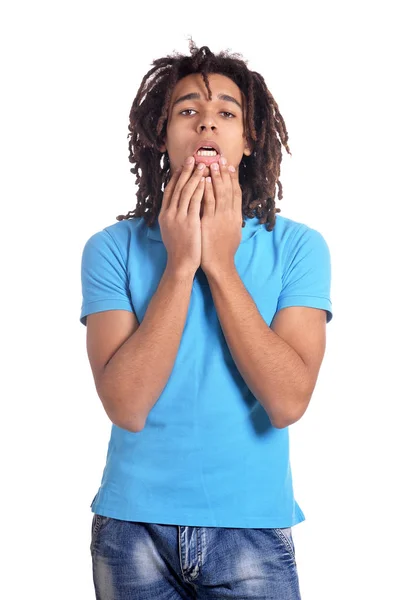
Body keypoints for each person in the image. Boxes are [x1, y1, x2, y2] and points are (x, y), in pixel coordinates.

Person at [80, 38, 333, 600]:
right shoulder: (111, 248)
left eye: (226, 112)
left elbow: (288, 401)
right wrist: (179, 266)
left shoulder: (299, 248)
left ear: (249, 141)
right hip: (131, 529)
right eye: (188, 111)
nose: (207, 126)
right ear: (161, 136)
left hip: (252, 528)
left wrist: (219, 263)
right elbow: (126, 405)